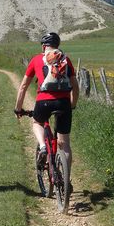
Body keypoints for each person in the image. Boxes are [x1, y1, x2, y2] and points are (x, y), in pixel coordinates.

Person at [14, 32, 78, 186]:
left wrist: (18, 108)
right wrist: (72, 104)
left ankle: (43, 147)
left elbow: (23, 86)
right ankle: (66, 180)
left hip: (43, 102)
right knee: (65, 144)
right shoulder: (66, 60)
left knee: (37, 122)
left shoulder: (37, 59)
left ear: (43, 47)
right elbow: (75, 86)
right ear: (57, 46)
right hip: (63, 103)